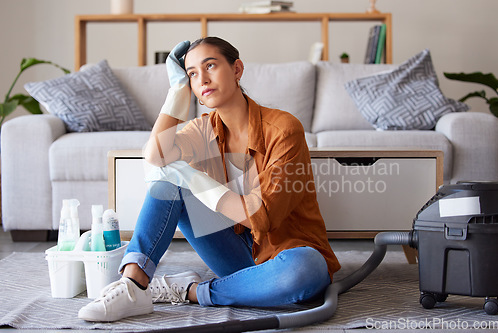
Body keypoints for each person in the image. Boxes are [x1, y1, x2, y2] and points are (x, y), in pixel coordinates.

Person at [78, 37, 341, 322]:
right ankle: (133, 285)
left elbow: (261, 216)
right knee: (168, 184)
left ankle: (189, 291)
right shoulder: (203, 129)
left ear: (237, 69)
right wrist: (177, 91)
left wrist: (192, 178)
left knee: (306, 269)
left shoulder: (283, 129)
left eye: (210, 66)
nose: (202, 79)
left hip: (290, 255)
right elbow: (156, 155)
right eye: (192, 73)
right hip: (237, 255)